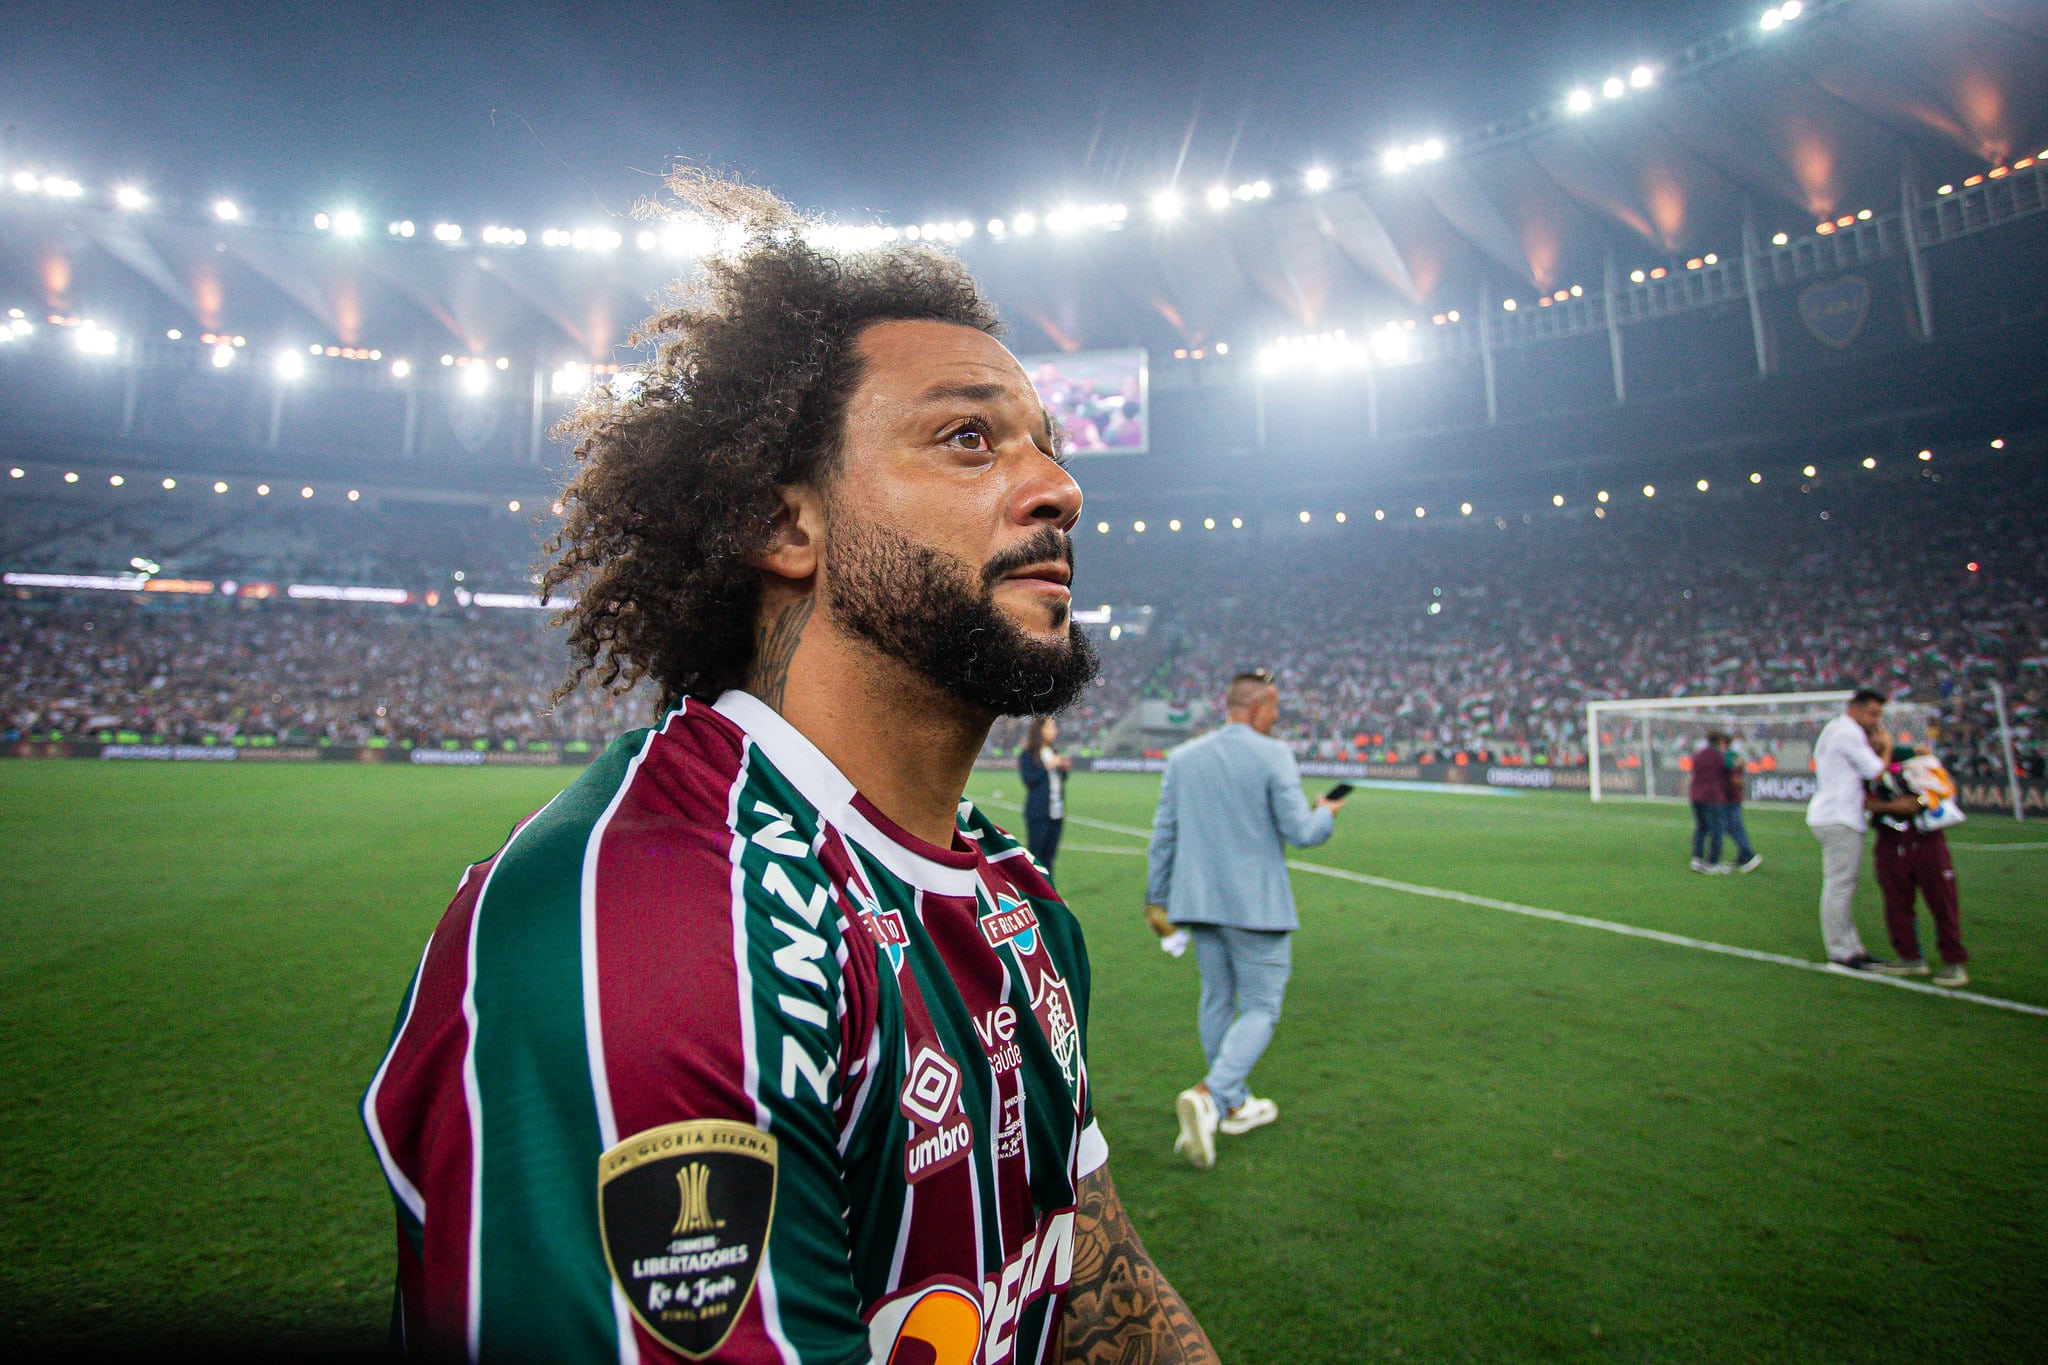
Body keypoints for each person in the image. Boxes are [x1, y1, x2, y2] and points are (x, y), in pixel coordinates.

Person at [361, 173, 1217, 1365]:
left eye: (1048, 447)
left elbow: (1095, 1288)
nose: (1061, 489)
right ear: (787, 526)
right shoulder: (652, 933)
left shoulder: (1017, 910)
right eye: (967, 437)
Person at [1143, 669, 1345, 1170]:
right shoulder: (1273, 754)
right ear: (1255, 708)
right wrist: (1326, 814)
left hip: (1198, 903)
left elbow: (1163, 833)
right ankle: (1212, 1095)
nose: (1277, 716)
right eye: (1274, 707)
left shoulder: (1185, 758)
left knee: (1216, 998)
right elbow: (1300, 831)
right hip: (1256, 906)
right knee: (1261, 1007)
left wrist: (1156, 899)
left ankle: (1233, 1104)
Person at [1804, 689, 1901, 972]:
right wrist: (1886, 748)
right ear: (1855, 709)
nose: (1876, 720)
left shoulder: (1836, 728)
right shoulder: (1847, 732)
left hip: (1834, 814)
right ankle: (1841, 952)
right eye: (1872, 713)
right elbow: (1875, 771)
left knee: (1843, 885)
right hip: (1839, 816)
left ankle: (1852, 947)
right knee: (1839, 886)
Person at [1868, 740, 1971, 986]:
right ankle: (1910, 956)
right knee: (1896, 900)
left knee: (1942, 899)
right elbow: (1865, 802)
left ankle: (1953, 960)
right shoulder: (1864, 766)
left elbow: (1941, 791)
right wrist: (1892, 806)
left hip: (1926, 839)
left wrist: (1923, 801)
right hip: (1890, 838)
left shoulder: (1915, 761)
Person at [1017, 714, 1072, 876]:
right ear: (1040, 730)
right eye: (1051, 727)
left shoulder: (1053, 751)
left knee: (1050, 858)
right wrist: (1048, 766)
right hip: (1038, 813)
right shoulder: (1028, 754)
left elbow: (1057, 781)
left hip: (1056, 812)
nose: (1055, 730)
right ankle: (1033, 897)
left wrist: (1063, 769)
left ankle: (1049, 897)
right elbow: (1029, 779)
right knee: (1036, 857)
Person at [1688, 730, 1731, 873]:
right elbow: (1726, 774)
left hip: (1695, 795)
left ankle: (1697, 859)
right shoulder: (1719, 756)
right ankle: (1713, 862)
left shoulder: (1699, 754)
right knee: (1717, 829)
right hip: (1712, 797)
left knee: (1701, 827)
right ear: (1719, 741)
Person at [1720, 737, 1762, 873]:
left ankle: (1749, 855)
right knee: (1732, 826)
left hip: (1729, 798)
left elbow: (1735, 777)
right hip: (1732, 797)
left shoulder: (1727, 756)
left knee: (1732, 826)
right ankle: (1743, 855)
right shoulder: (1734, 756)